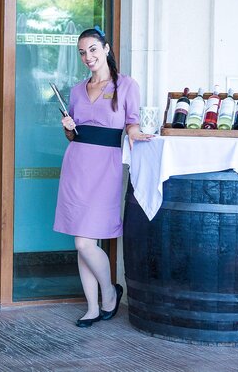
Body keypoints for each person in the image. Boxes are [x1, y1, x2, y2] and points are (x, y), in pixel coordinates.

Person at [54, 26, 153, 328]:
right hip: (76, 165)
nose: (88, 56)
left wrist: (135, 133)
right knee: (81, 239)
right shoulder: (76, 90)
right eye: (82, 52)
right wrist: (68, 128)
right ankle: (93, 307)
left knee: (85, 242)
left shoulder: (127, 85)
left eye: (93, 49)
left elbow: (131, 123)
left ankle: (109, 292)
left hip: (105, 166)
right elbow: (73, 136)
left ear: (106, 49)